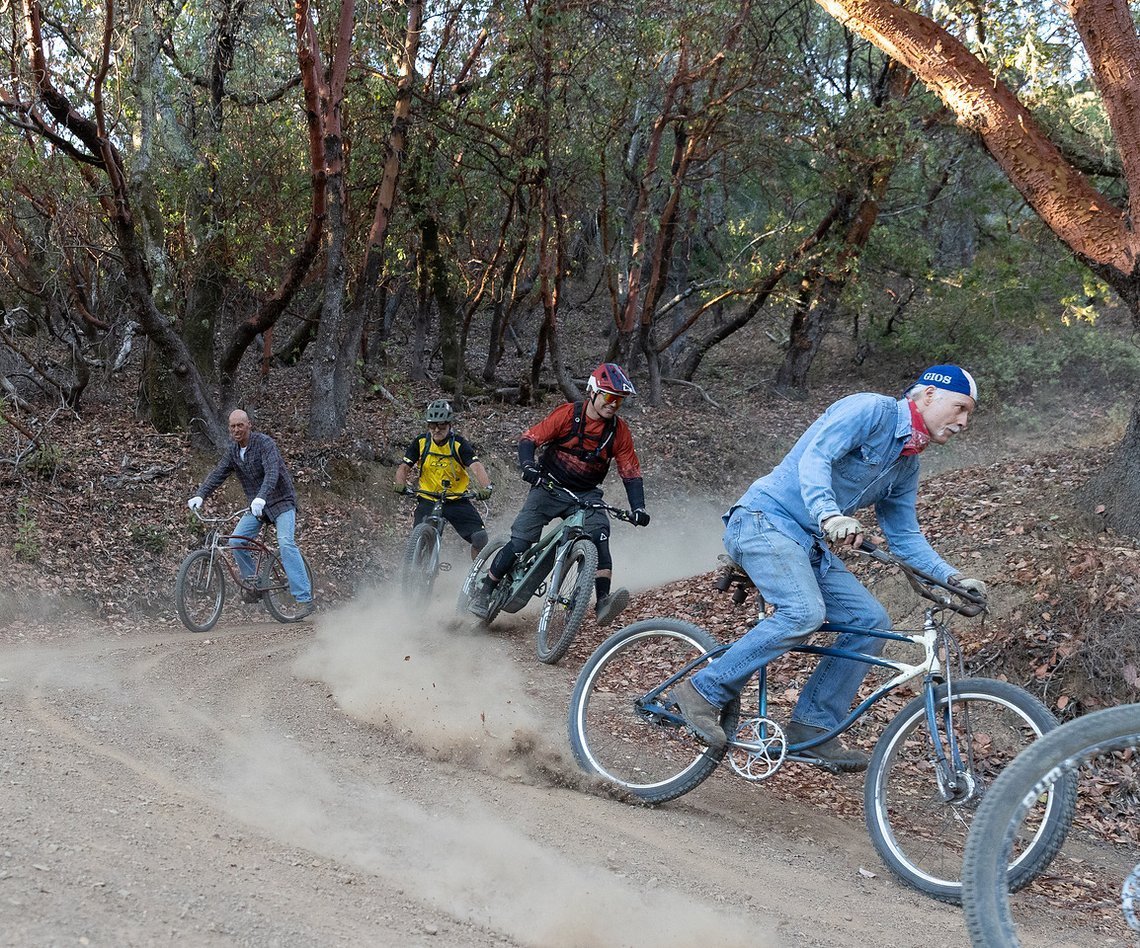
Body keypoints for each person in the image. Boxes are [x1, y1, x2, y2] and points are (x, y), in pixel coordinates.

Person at [674, 365, 987, 769]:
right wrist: (829, 514)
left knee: (870, 621)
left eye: (969, 414)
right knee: (803, 612)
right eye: (960, 407)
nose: (963, 422)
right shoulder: (871, 411)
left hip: (809, 546)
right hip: (764, 520)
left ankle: (812, 729)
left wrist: (954, 579)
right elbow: (816, 456)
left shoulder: (906, 465)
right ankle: (702, 691)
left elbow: (905, 537)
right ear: (928, 396)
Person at [468, 363, 651, 626]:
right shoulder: (567, 415)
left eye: (619, 401)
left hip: (586, 493)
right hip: (549, 486)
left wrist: (639, 508)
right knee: (521, 541)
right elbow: (530, 439)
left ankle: (603, 602)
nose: (613, 405)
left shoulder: (618, 432)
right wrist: (529, 466)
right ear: (593, 392)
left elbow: (630, 471)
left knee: (600, 535)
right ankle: (485, 590)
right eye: (610, 397)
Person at [187, 409, 315, 618]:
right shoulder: (233, 452)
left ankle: (304, 598)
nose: (236, 430)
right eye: (232, 426)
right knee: (236, 542)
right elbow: (218, 473)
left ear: (249, 425)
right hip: (258, 507)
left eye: (240, 425)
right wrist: (200, 495)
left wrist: (262, 496)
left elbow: (272, 472)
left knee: (285, 543)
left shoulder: (264, 444)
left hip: (281, 502)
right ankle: (253, 584)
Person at [393, 399, 494, 559]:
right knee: (418, 542)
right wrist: (400, 484)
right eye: (432, 425)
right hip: (428, 498)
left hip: (455, 499)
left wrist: (486, 487)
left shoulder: (459, 444)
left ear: (449, 425)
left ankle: (475, 577)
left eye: (441, 425)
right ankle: (417, 574)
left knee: (480, 538)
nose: (436, 429)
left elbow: (476, 466)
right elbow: (404, 467)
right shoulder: (421, 442)